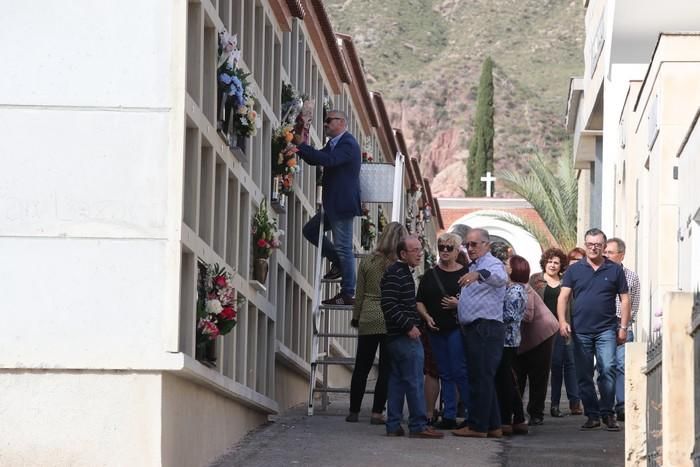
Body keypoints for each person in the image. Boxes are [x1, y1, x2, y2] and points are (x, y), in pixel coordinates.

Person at [558, 228, 631, 431]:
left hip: (607, 330)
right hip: (580, 331)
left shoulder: (615, 270)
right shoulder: (574, 270)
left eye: (597, 245)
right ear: (585, 244)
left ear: (603, 246)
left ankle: (608, 414)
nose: (593, 248)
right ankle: (592, 415)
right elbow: (563, 297)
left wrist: (623, 327)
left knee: (608, 369)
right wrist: (562, 322)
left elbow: (625, 299)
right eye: (590, 244)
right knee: (584, 374)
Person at [295, 110, 361, 306]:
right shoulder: (335, 144)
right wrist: (300, 147)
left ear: (341, 122)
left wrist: (300, 146)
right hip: (334, 205)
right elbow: (316, 158)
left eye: (328, 121)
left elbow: (328, 160)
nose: (325, 124)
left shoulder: (348, 143)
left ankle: (348, 292)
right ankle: (339, 263)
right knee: (310, 231)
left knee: (344, 248)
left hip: (341, 204)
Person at [381, 236, 443, 439]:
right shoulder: (396, 274)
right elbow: (389, 304)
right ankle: (418, 425)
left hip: (398, 336)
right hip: (403, 336)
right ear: (402, 254)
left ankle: (393, 425)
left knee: (398, 381)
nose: (419, 253)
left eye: (420, 249)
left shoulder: (403, 272)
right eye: (414, 250)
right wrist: (409, 326)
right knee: (415, 381)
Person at [346, 222, 408, 424]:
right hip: (391, 319)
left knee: (361, 366)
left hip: (369, 317)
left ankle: (354, 411)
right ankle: (376, 412)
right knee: (386, 368)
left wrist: (356, 318)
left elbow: (360, 293)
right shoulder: (400, 265)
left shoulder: (368, 261)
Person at [452, 228, 508, 439]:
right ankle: (493, 425)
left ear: (487, 245)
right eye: (467, 244)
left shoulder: (491, 264)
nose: (470, 248)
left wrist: (479, 274)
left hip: (485, 328)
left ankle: (478, 426)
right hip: (477, 328)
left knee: (480, 378)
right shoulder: (475, 264)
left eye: (475, 244)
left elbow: (500, 277)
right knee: (483, 377)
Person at [416, 232, 470, 429]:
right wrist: (427, 317)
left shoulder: (465, 273)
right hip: (435, 329)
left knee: (459, 371)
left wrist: (459, 303)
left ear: (457, 251)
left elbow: (476, 301)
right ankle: (449, 416)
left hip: (456, 328)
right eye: (441, 248)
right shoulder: (431, 274)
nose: (445, 251)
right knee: (445, 373)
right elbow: (419, 300)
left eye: (449, 248)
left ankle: (472, 414)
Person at [529, 248, 583, 417]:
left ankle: (559, 404)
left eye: (556, 263)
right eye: (550, 261)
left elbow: (572, 304)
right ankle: (545, 407)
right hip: (541, 329)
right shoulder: (535, 280)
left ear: (561, 266)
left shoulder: (567, 281)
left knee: (566, 365)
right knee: (547, 368)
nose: (552, 265)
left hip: (562, 327)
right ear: (545, 263)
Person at [604, 237, 640, 422]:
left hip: (622, 325)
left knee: (621, 366)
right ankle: (606, 407)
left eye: (610, 252)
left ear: (621, 255)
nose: (606, 255)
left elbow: (633, 304)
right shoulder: (600, 274)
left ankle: (622, 406)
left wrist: (624, 325)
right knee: (605, 366)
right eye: (605, 252)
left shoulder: (631, 277)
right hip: (603, 326)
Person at [496, 255, 530, 435]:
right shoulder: (512, 288)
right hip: (507, 339)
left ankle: (507, 418)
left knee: (506, 380)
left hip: (507, 340)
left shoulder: (516, 290)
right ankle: (517, 417)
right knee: (508, 378)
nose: (503, 266)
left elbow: (511, 315)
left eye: (506, 264)